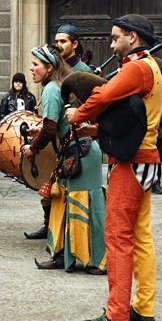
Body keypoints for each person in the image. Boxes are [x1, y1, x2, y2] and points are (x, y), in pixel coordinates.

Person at [65, 14, 162, 321]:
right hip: (147, 159)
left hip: (131, 163)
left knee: (118, 238)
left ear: (132, 38)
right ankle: (143, 307)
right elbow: (128, 117)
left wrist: (77, 114)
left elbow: (104, 96)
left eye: (115, 37)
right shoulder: (152, 66)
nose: (111, 43)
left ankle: (117, 315)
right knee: (141, 237)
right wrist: (96, 127)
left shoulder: (136, 68)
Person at [21, 45, 106, 274]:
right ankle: (66, 257)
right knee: (71, 205)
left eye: (35, 64)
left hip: (79, 154)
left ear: (49, 68)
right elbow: (57, 124)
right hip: (83, 152)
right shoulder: (61, 84)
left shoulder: (50, 89)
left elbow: (50, 129)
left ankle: (92, 261)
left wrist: (32, 148)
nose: (31, 68)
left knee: (78, 205)